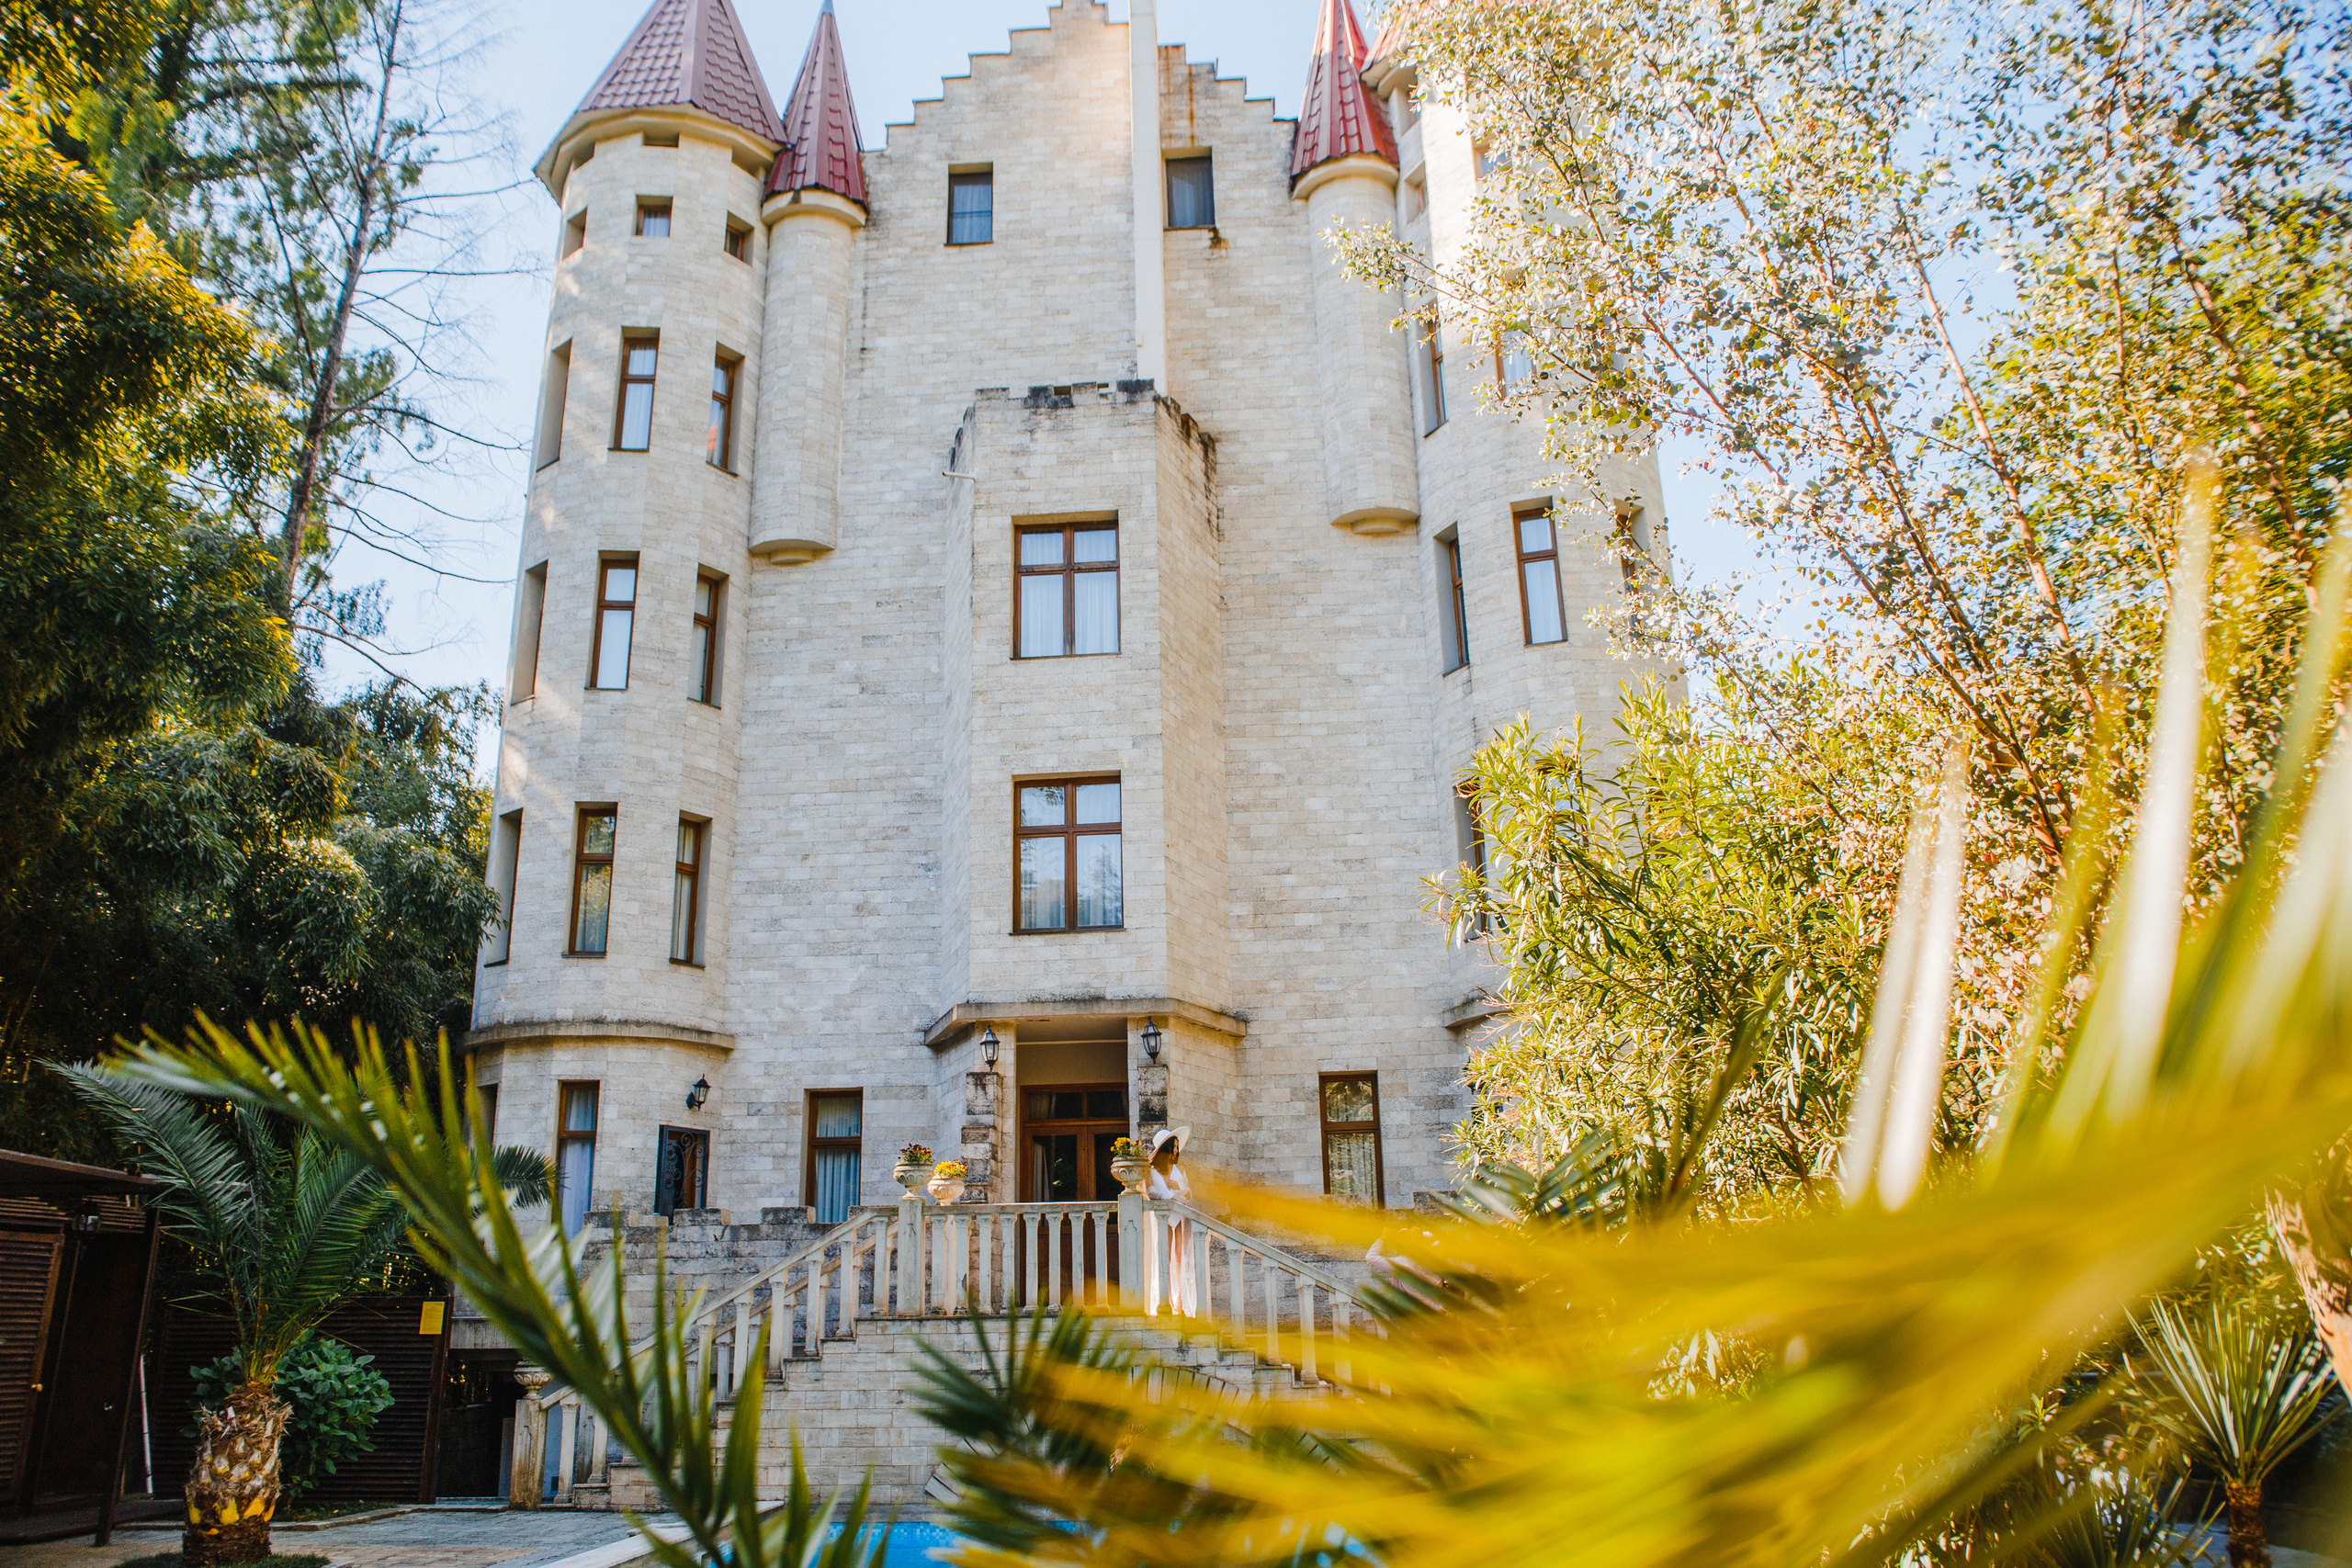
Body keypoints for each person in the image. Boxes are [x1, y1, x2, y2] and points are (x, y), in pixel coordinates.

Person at [1146, 1125, 1199, 1316]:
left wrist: (1180, 1189)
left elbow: (1189, 1193)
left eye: (1177, 1146)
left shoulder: (1179, 1169)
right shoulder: (1150, 1170)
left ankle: (1180, 1302)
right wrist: (1172, 1197)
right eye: (1174, 1146)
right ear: (1166, 1148)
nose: (1177, 1150)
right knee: (1164, 1257)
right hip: (1163, 1217)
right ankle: (1164, 1300)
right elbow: (1150, 1193)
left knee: (1179, 1257)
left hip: (1180, 1217)